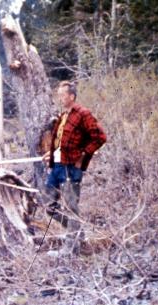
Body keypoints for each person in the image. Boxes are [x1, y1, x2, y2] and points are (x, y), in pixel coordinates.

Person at [42, 80, 107, 240]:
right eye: (59, 95)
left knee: (71, 208)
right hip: (57, 166)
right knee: (49, 206)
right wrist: (52, 153)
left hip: (71, 168)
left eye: (63, 95)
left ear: (72, 96)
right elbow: (62, 141)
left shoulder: (83, 114)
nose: (60, 98)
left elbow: (100, 137)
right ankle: (77, 233)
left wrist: (83, 155)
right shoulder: (63, 116)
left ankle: (71, 247)